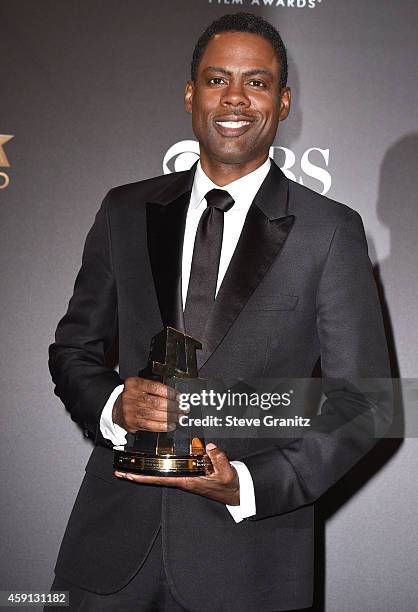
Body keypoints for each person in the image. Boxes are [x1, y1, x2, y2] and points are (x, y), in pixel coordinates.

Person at [48, 12, 392, 612]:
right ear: (190, 94)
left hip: (249, 564)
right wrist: (113, 405)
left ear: (283, 103)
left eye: (256, 82)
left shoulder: (331, 231)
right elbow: (73, 350)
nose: (235, 97)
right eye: (217, 79)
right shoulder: (124, 211)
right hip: (108, 558)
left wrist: (247, 484)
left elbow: (362, 404)